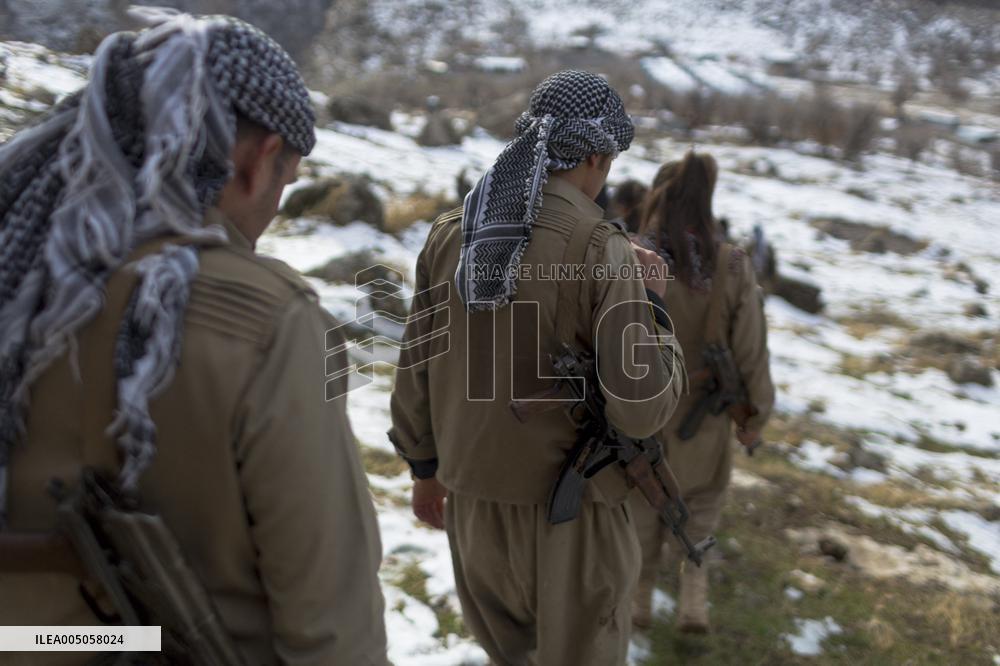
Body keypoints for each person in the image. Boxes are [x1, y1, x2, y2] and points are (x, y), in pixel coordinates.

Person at [0, 12, 388, 665]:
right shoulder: (268, 323)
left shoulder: (20, 272)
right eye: (285, 184)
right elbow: (332, 622)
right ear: (257, 160)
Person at [389, 70, 686, 666]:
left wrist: (424, 469)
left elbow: (416, 366)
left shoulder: (454, 233)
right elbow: (641, 407)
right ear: (598, 156)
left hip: (471, 505)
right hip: (571, 521)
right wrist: (652, 307)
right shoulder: (602, 248)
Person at [630, 150, 775, 633]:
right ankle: (693, 601)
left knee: (642, 505)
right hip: (703, 418)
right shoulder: (730, 265)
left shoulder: (632, 254)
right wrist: (754, 419)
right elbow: (751, 351)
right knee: (702, 506)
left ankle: (639, 602)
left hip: (641, 411)